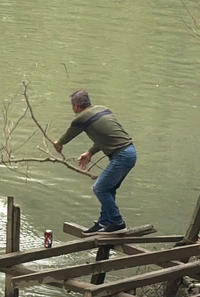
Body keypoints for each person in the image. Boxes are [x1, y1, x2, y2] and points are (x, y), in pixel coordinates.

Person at [53, 90, 137, 235]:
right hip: (130, 152)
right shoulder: (102, 109)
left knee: (99, 188)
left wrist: (59, 143)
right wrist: (90, 152)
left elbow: (69, 134)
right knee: (108, 190)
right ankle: (104, 222)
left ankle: (118, 223)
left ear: (76, 105)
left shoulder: (81, 118)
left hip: (122, 155)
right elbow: (107, 136)